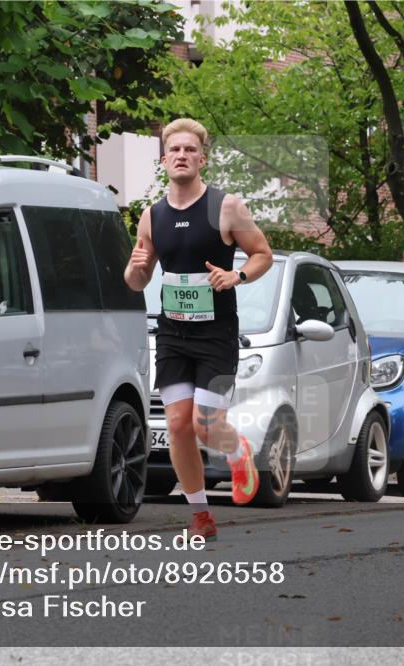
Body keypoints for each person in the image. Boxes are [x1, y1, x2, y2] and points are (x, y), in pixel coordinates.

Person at [124, 118, 274, 541]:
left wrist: (236, 276)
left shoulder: (225, 207)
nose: (182, 156)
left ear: (202, 159)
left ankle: (238, 451)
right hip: (173, 334)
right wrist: (135, 269)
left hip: (216, 334)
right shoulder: (152, 216)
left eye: (190, 150)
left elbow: (262, 254)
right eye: (175, 150)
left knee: (205, 425)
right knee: (177, 424)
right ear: (164, 159)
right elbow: (136, 281)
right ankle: (201, 515)